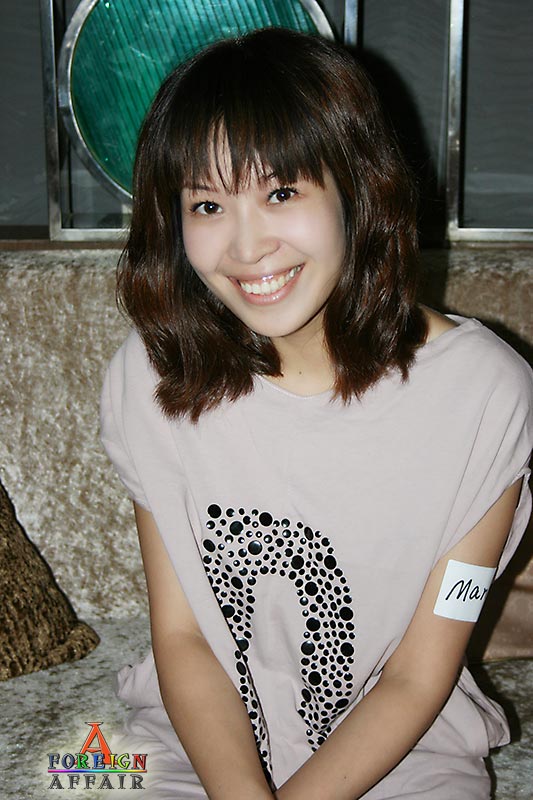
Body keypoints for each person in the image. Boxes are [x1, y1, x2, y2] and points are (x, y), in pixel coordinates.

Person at [100, 27, 533, 800]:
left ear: (356, 188)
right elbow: (183, 637)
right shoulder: (157, 373)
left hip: (405, 752)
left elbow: (415, 675)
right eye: (207, 203)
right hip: (192, 742)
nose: (246, 247)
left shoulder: (482, 397)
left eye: (281, 193)